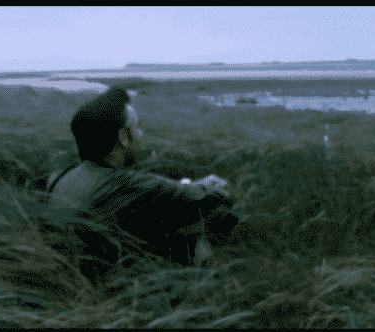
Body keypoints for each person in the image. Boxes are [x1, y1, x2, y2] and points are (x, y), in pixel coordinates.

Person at [45, 86, 237, 268]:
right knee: (202, 223)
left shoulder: (59, 177)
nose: (141, 134)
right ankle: (213, 288)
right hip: (107, 281)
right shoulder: (124, 184)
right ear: (123, 137)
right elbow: (213, 197)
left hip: (74, 269)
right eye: (136, 127)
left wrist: (184, 187)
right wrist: (203, 185)